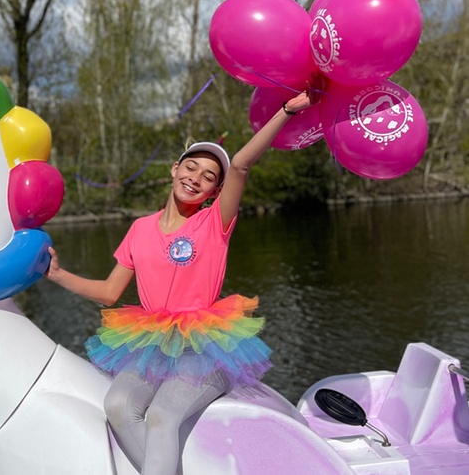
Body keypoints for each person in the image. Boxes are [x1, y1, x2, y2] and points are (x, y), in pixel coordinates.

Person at [46, 90, 318, 475]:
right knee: (118, 407)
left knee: (161, 416)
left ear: (214, 192)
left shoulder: (213, 223)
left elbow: (240, 165)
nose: (196, 179)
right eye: (191, 168)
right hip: (150, 342)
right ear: (174, 169)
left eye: (209, 178)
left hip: (204, 344)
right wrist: (57, 275)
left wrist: (287, 110)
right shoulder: (140, 229)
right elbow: (109, 292)